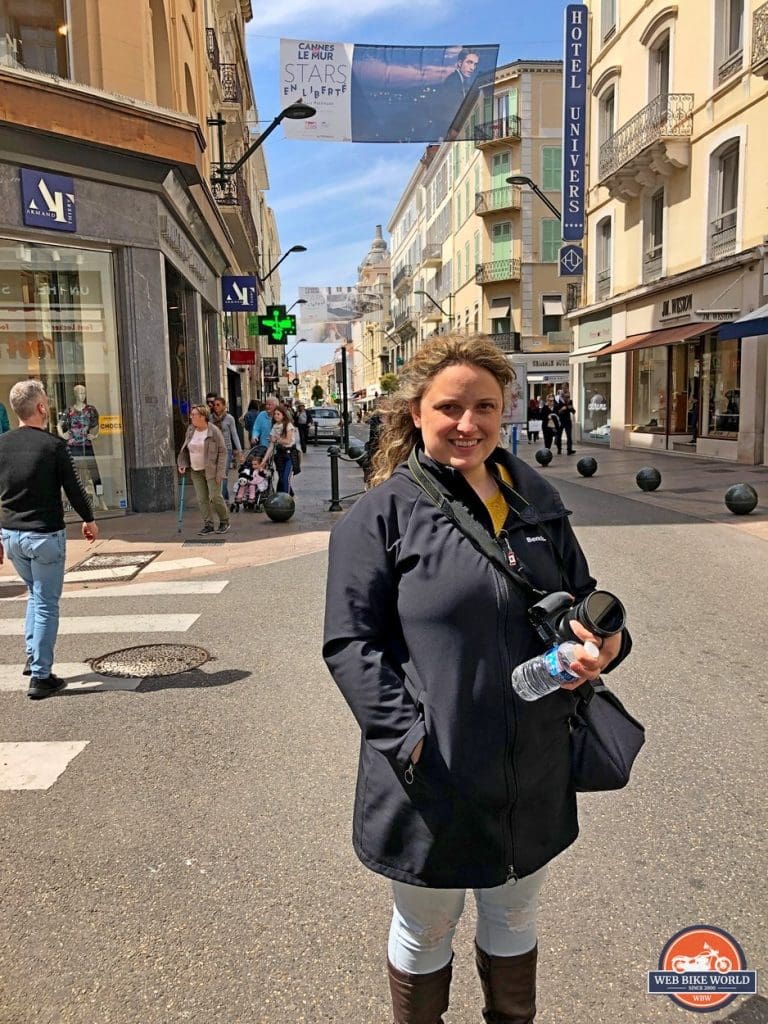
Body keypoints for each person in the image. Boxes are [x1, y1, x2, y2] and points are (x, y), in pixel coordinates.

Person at [322, 334, 630, 1023]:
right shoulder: (382, 516)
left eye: (485, 407)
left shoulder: (534, 497)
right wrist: (413, 741)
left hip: (534, 759)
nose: (469, 424)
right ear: (416, 413)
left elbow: (581, 597)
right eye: (451, 407)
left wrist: (604, 643)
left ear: (506, 409)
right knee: (427, 928)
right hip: (437, 774)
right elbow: (349, 643)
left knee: (514, 913)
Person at [0, 379, 99, 699]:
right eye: (46, 400)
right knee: (45, 603)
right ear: (41, 407)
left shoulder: (1, 444)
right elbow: (74, 488)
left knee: (35, 594)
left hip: (12, 536)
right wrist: (89, 520)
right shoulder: (54, 445)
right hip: (44, 536)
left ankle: (33, 658)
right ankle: (41, 676)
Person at [177, 404, 230, 535]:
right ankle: (209, 524)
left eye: (193, 414)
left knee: (215, 497)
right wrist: (182, 463)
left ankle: (224, 521)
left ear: (202, 417)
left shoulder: (213, 431)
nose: (191, 417)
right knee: (202, 499)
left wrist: (220, 472)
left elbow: (223, 452)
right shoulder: (190, 430)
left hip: (212, 470)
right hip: (196, 470)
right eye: (191, 414)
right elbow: (185, 448)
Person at [259, 404, 297, 494]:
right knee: (281, 478)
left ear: (283, 415)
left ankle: (286, 499)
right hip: (279, 455)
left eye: (278, 414)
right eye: (275, 414)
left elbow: (288, 441)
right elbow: (271, 446)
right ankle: (285, 497)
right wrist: (264, 460)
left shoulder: (288, 426)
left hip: (289, 454)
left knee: (285, 478)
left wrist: (276, 439)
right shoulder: (275, 426)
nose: (276, 416)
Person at [210, 396, 242, 500]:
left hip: (226, 449)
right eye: (214, 405)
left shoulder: (229, 418)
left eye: (218, 405)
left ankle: (222, 498)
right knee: (215, 474)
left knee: (223, 473)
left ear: (224, 406)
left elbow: (234, 434)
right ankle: (223, 496)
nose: (216, 407)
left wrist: (240, 451)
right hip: (214, 450)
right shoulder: (210, 418)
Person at [555, 387, 576, 455]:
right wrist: (561, 410)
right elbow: (556, 412)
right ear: (562, 396)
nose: (568, 398)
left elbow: (574, 412)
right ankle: (559, 449)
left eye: (569, 396)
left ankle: (569, 450)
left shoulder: (570, 402)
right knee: (559, 436)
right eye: (566, 397)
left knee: (569, 436)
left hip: (567, 421)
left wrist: (571, 408)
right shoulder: (558, 402)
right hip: (560, 421)